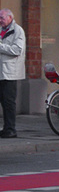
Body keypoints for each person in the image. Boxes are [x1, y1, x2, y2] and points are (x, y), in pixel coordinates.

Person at [0, 9, 26, 138]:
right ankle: (5, 128)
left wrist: (0, 46)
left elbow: (17, 50)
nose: (0, 20)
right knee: (3, 102)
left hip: (10, 73)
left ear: (10, 17)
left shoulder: (17, 30)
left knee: (9, 102)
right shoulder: (1, 30)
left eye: (2, 18)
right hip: (1, 72)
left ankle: (11, 129)